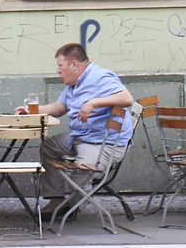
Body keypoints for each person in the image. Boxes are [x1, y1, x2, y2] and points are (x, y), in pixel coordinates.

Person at [31, 43, 135, 203]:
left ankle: (73, 207)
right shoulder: (74, 83)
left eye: (60, 66)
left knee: (78, 178)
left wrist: (93, 102)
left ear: (74, 65)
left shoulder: (100, 77)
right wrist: (32, 110)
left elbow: (127, 99)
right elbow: (59, 107)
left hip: (101, 142)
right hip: (82, 136)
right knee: (49, 146)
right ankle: (56, 200)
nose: (58, 70)